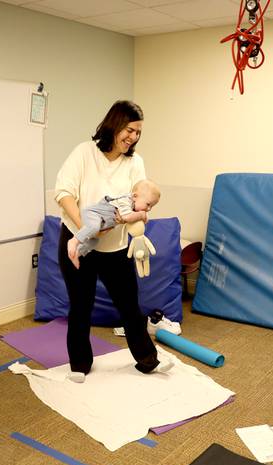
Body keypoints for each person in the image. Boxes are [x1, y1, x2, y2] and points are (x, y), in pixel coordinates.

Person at [54, 100, 173, 383]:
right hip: (78, 242)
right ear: (116, 124)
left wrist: (139, 222)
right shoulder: (84, 153)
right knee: (81, 305)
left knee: (130, 306)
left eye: (138, 133)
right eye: (130, 130)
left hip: (116, 248)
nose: (133, 137)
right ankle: (80, 364)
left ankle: (147, 360)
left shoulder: (135, 162)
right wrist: (87, 230)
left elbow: (141, 199)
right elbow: (63, 192)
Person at [66, 179, 161, 269]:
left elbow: (142, 220)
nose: (149, 209)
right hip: (92, 213)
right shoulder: (126, 201)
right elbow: (126, 217)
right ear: (135, 196)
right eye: (148, 204)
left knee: (94, 241)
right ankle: (74, 241)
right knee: (94, 227)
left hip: (100, 221)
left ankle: (76, 253)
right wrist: (141, 215)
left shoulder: (134, 208)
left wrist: (143, 217)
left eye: (152, 206)